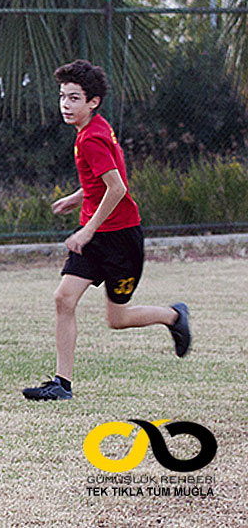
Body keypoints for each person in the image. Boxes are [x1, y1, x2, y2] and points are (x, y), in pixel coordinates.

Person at [22, 59, 191, 401]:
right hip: (97, 234)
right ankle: (61, 384)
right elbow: (103, 181)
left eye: (74, 98)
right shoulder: (92, 130)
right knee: (63, 298)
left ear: (92, 102)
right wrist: (76, 199)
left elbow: (118, 190)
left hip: (120, 240)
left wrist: (86, 232)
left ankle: (173, 316)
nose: (65, 105)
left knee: (117, 319)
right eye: (62, 97)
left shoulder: (92, 138)